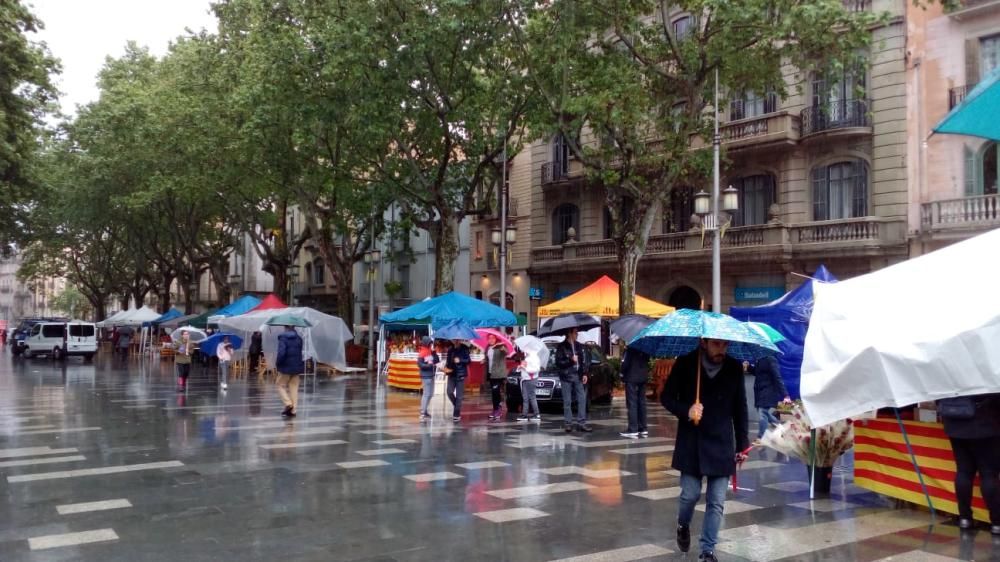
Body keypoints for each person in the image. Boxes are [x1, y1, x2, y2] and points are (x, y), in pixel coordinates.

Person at [661, 339, 750, 562]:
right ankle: (683, 524)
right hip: (692, 442)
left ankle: (707, 550)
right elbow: (667, 397)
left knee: (717, 501)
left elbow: (740, 408)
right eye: (717, 345)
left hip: (721, 443)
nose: (721, 350)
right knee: (689, 495)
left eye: (725, 345)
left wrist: (742, 445)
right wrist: (687, 410)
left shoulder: (734, 367)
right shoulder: (686, 363)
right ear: (704, 343)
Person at [939, 392, 1000, 534]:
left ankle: (965, 518)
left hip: (954, 423)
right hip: (985, 423)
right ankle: (997, 522)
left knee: (963, 471)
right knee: (989, 474)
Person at [554, 328, 592, 433]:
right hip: (566, 376)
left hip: (577, 376)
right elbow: (558, 363)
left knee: (582, 398)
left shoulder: (578, 346)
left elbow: (583, 361)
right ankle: (568, 423)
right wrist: (570, 360)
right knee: (567, 401)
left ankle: (581, 422)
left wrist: (584, 373)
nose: (577, 334)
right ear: (569, 333)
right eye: (575, 332)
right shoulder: (562, 347)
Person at [749, 355, 790, 441]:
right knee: (765, 414)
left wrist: (785, 395)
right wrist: (748, 367)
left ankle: (760, 438)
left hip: (768, 391)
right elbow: (757, 372)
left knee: (762, 413)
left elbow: (777, 376)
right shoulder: (760, 358)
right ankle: (780, 427)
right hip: (759, 392)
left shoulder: (770, 359)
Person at [620, 346, 651, 439]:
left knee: (632, 403)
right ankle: (643, 428)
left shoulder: (631, 347)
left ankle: (633, 429)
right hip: (642, 377)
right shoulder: (646, 347)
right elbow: (647, 359)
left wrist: (621, 373)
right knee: (642, 403)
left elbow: (625, 363)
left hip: (631, 377)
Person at [275, 325, 305, 418]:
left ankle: (288, 404)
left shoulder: (283, 338)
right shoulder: (299, 339)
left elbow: (281, 353)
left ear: (285, 327)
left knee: (279, 385)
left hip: (285, 367)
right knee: (294, 388)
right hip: (297, 367)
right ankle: (293, 411)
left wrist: (278, 363)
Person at [443, 339, 471, 422]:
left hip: (460, 374)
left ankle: (456, 413)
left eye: (457, 340)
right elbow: (448, 362)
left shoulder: (464, 348)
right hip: (451, 374)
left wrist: (460, 360)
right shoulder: (450, 349)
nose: (456, 341)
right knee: (449, 392)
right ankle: (457, 406)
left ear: (460, 340)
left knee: (459, 396)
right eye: (454, 340)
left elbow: (469, 361)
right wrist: (446, 369)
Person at [417, 336, 439, 420]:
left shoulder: (430, 351)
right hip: (426, 376)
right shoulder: (422, 352)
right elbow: (419, 364)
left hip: (431, 375)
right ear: (426, 343)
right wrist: (428, 366)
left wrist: (434, 354)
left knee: (430, 394)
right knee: (426, 394)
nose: (431, 344)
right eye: (429, 343)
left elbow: (436, 361)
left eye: (431, 343)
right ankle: (423, 412)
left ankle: (425, 410)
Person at [487, 335, 508, 421]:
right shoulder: (488, 348)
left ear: (496, 339)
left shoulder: (500, 346)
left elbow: (505, 352)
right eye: (489, 338)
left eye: (493, 338)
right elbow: (489, 359)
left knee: (496, 391)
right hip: (491, 373)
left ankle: (498, 410)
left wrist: (503, 349)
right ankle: (495, 409)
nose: (491, 340)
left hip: (499, 373)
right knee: (493, 392)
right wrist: (484, 360)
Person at [517, 350, 542, 422]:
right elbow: (524, 368)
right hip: (526, 379)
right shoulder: (527, 357)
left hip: (530, 379)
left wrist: (525, 368)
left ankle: (535, 414)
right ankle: (526, 414)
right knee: (527, 397)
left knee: (531, 396)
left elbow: (536, 369)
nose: (524, 349)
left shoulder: (533, 357)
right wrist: (520, 367)